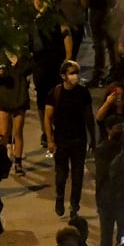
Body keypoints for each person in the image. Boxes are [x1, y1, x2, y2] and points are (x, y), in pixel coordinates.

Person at [42, 60, 94, 215]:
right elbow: (47, 118)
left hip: (79, 140)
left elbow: (88, 116)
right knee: (61, 175)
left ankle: (74, 205)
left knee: (78, 176)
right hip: (61, 141)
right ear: (63, 76)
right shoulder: (55, 93)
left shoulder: (83, 93)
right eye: (71, 73)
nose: (75, 76)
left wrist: (93, 138)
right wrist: (50, 140)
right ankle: (60, 198)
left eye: (76, 73)